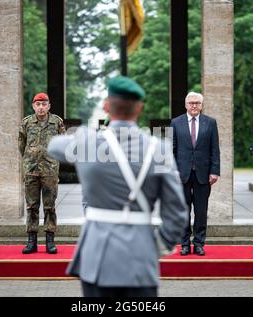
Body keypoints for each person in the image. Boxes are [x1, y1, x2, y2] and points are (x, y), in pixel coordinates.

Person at [48, 76, 188, 297]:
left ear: (106, 106)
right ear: (139, 108)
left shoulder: (86, 143)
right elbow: (177, 212)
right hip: (140, 257)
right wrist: (158, 247)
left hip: (97, 258)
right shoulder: (158, 149)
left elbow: (54, 146)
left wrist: (84, 131)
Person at [170, 92, 220, 256]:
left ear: (201, 105)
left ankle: (199, 243)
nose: (194, 106)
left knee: (200, 210)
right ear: (185, 105)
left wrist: (215, 171)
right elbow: (172, 150)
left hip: (203, 174)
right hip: (181, 174)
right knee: (183, 210)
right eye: (191, 103)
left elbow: (215, 149)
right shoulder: (175, 123)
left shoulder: (210, 123)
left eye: (197, 103)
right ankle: (184, 244)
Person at [19, 92, 66, 254]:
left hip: (50, 170)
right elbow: (21, 145)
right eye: (38, 104)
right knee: (31, 206)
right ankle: (31, 240)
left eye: (44, 104)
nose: (41, 107)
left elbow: (62, 143)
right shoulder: (26, 123)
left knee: (49, 206)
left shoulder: (56, 122)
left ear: (48, 106)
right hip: (31, 170)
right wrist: (30, 159)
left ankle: (50, 240)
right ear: (33, 106)